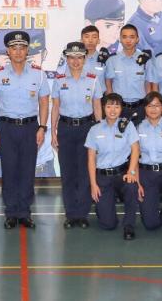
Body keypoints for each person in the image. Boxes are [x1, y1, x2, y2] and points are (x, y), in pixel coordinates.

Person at [0, 30, 50, 229]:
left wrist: (42, 127)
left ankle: (24, 212)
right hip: (6, 128)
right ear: (8, 51)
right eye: (14, 48)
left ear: (27, 50)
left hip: (30, 127)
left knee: (27, 170)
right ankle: (11, 212)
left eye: (22, 47)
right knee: (9, 170)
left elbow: (44, 102)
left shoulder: (39, 74)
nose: (18, 52)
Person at [49, 42, 100, 228]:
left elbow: (97, 106)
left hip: (87, 128)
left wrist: (99, 132)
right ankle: (71, 214)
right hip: (66, 128)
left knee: (85, 173)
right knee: (68, 173)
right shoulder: (59, 79)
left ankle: (82, 213)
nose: (76, 61)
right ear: (67, 59)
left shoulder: (93, 79)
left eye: (79, 57)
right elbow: (55, 107)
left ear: (84, 58)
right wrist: (53, 132)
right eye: (72, 57)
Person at [85, 93, 141, 240]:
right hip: (103, 177)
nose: (113, 110)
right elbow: (91, 159)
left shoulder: (128, 126)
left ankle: (129, 225)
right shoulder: (95, 130)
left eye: (117, 107)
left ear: (121, 109)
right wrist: (93, 184)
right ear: (103, 108)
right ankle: (104, 211)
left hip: (122, 174)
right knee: (108, 224)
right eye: (109, 106)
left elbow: (136, 149)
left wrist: (131, 172)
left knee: (131, 186)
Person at [135, 93, 162, 235]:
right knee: (150, 224)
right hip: (146, 174)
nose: (153, 109)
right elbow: (134, 156)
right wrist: (137, 182)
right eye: (150, 106)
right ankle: (156, 212)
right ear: (145, 108)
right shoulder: (138, 127)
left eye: (157, 105)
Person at [105, 25, 151, 122]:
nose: (128, 40)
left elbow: (148, 85)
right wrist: (111, 107)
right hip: (119, 108)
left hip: (140, 108)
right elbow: (109, 85)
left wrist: (149, 108)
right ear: (120, 39)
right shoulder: (112, 60)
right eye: (124, 37)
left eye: (132, 37)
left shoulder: (146, 60)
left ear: (137, 39)